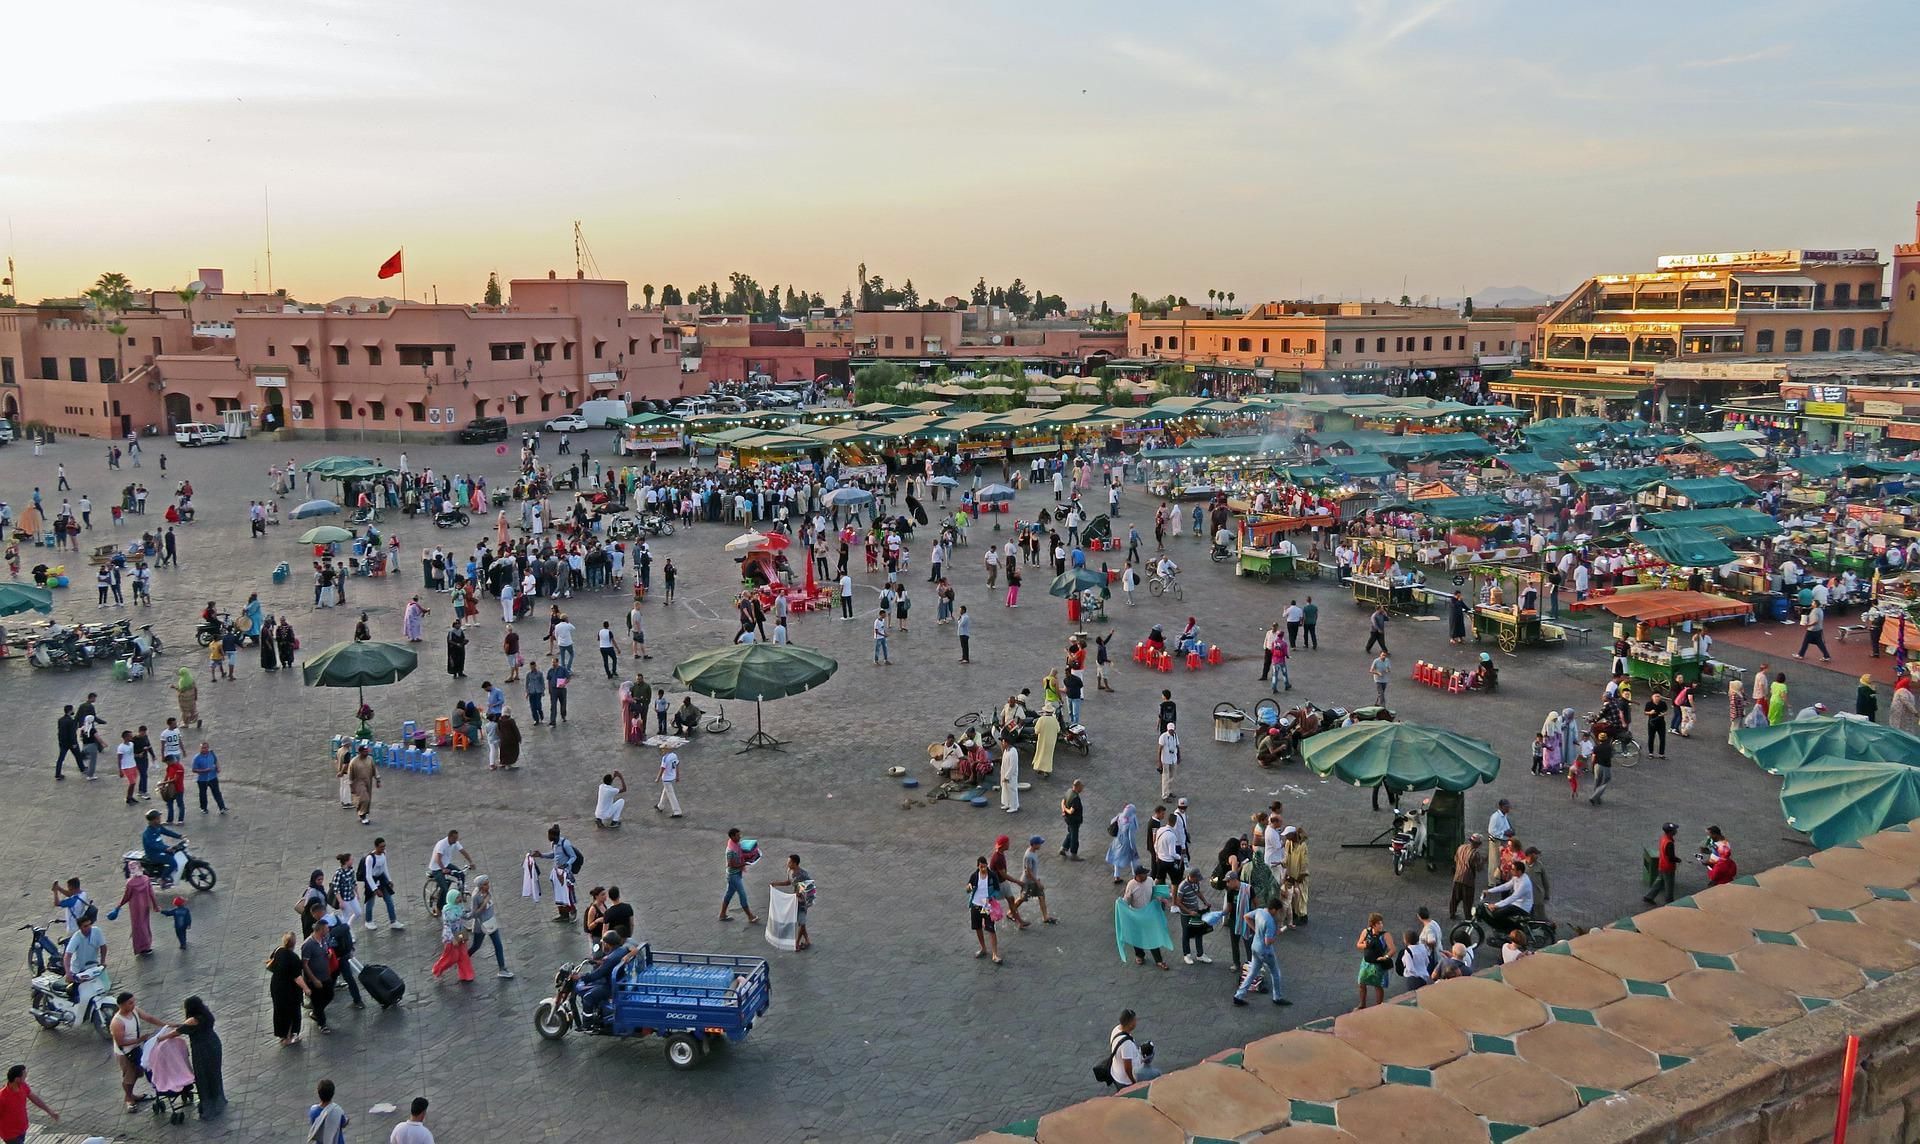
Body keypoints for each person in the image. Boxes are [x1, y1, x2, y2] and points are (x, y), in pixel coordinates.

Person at [111, 991, 167, 1112]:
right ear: (122, 1005)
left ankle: (131, 1094)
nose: (133, 1005)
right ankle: (129, 1098)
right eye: (130, 1003)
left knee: (137, 1072)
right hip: (125, 1053)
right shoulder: (117, 1022)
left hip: (135, 1049)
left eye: (133, 1002)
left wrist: (165, 1025)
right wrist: (139, 1040)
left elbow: (149, 1018)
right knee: (129, 1076)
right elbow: (120, 1042)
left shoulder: (135, 1011)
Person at [1234, 897, 1292, 1006]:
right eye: (1278, 911)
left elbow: (1246, 917)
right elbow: (1268, 942)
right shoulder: (1270, 921)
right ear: (1273, 909)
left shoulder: (1259, 911)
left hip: (1255, 947)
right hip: (1265, 951)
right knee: (1275, 972)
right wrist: (1277, 934)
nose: (1277, 913)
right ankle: (1277, 997)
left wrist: (1256, 930)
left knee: (1252, 973)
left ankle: (1239, 995)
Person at [1116, 865, 1170, 969]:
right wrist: (1121, 904)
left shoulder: (1150, 880)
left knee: (1152, 936)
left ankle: (1159, 960)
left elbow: (1155, 893)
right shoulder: (1131, 885)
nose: (1146, 875)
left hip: (1149, 914)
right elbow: (1127, 900)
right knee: (1137, 936)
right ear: (1138, 876)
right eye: (1144, 874)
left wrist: (1161, 899)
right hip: (1137, 915)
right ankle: (1139, 955)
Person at [110, 858, 161, 957]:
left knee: (138, 926)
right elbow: (151, 893)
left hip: (135, 908)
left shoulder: (130, 883)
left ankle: (141, 947)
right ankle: (147, 945)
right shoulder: (146, 879)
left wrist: (118, 906)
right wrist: (155, 905)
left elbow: (126, 897)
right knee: (145, 924)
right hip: (145, 905)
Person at [0, 1063, 60, 1142]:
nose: (26, 1077)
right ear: (17, 1079)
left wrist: (50, 1111)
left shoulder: (23, 1086)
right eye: (24, 1076)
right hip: (10, 1134)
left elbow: (35, 1099)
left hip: (22, 1129)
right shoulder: (2, 1097)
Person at [768, 855, 815, 951]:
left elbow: (810, 887)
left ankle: (797, 943)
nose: (787, 864)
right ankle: (807, 941)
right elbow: (788, 882)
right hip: (795, 900)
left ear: (795, 863)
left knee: (801, 922)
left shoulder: (802, 875)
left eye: (789, 862)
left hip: (803, 902)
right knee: (801, 922)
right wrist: (776, 884)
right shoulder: (790, 871)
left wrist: (801, 894)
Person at [1105, 1009, 1159, 1086]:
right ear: (1130, 1024)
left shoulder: (1116, 1029)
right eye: (1134, 1020)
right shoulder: (1126, 1044)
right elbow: (1127, 1068)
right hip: (1125, 1081)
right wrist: (1133, 1081)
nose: (1136, 1022)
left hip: (1116, 1072)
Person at [966, 855, 1004, 964]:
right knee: (977, 927)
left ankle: (995, 954)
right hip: (975, 905)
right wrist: (968, 888)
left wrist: (990, 897)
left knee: (991, 929)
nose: (983, 869)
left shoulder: (992, 876)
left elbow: (997, 890)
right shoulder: (974, 876)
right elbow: (968, 889)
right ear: (978, 866)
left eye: (984, 866)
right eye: (981, 867)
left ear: (987, 865)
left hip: (986, 906)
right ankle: (983, 948)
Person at [1354, 912, 1395, 1010]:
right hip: (1366, 964)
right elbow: (1358, 944)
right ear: (1373, 924)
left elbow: (1392, 949)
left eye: (1381, 923)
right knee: (1362, 983)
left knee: (1378, 986)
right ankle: (1362, 1004)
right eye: (1378, 923)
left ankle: (1379, 1006)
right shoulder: (1366, 932)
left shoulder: (1385, 935)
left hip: (1378, 965)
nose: (1381, 925)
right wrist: (1366, 945)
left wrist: (1386, 957)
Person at [721, 828, 760, 924]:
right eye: (738, 835)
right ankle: (750, 916)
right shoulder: (730, 851)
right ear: (732, 836)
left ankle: (722, 914)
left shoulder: (736, 845)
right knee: (742, 895)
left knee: (729, 893)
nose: (740, 837)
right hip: (733, 876)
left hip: (736, 874)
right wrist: (744, 863)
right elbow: (731, 864)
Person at [1645, 822, 1680, 905]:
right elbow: (1671, 858)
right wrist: (1678, 860)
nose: (1676, 831)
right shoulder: (1669, 843)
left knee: (1659, 881)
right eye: (1674, 829)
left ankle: (1649, 896)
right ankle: (1669, 901)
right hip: (1668, 867)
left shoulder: (1663, 838)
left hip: (1662, 864)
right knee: (1669, 884)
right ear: (1671, 832)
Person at [308, 1078, 348, 1144]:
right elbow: (343, 1123)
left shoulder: (313, 1111)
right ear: (333, 1093)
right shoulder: (337, 1110)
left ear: (318, 1093)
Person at [1060, 779, 1085, 860]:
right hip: (1073, 820)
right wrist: (1065, 809)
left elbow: (1063, 801)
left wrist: (1063, 810)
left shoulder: (1069, 791)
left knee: (1071, 833)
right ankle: (1074, 854)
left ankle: (1063, 848)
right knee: (1074, 837)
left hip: (1067, 819)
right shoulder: (1075, 798)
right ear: (1077, 787)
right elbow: (1071, 811)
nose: (1082, 789)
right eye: (1081, 787)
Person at [656, 746, 683, 817]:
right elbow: (677, 765)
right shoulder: (674, 755)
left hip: (666, 778)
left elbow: (662, 769)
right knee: (666, 791)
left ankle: (677, 811)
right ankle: (660, 806)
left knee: (671, 795)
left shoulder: (665, 758)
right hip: (672, 776)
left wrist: (658, 778)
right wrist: (677, 776)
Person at [1157, 721, 1180, 800]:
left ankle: (1170, 792)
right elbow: (1159, 750)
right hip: (1166, 760)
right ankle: (1165, 795)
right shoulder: (1163, 737)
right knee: (1165, 777)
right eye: (1170, 730)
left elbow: (1177, 746)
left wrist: (1179, 756)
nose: (1171, 731)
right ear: (1167, 729)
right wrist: (1159, 762)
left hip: (1173, 759)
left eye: (1172, 730)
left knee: (1172, 777)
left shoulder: (1175, 735)